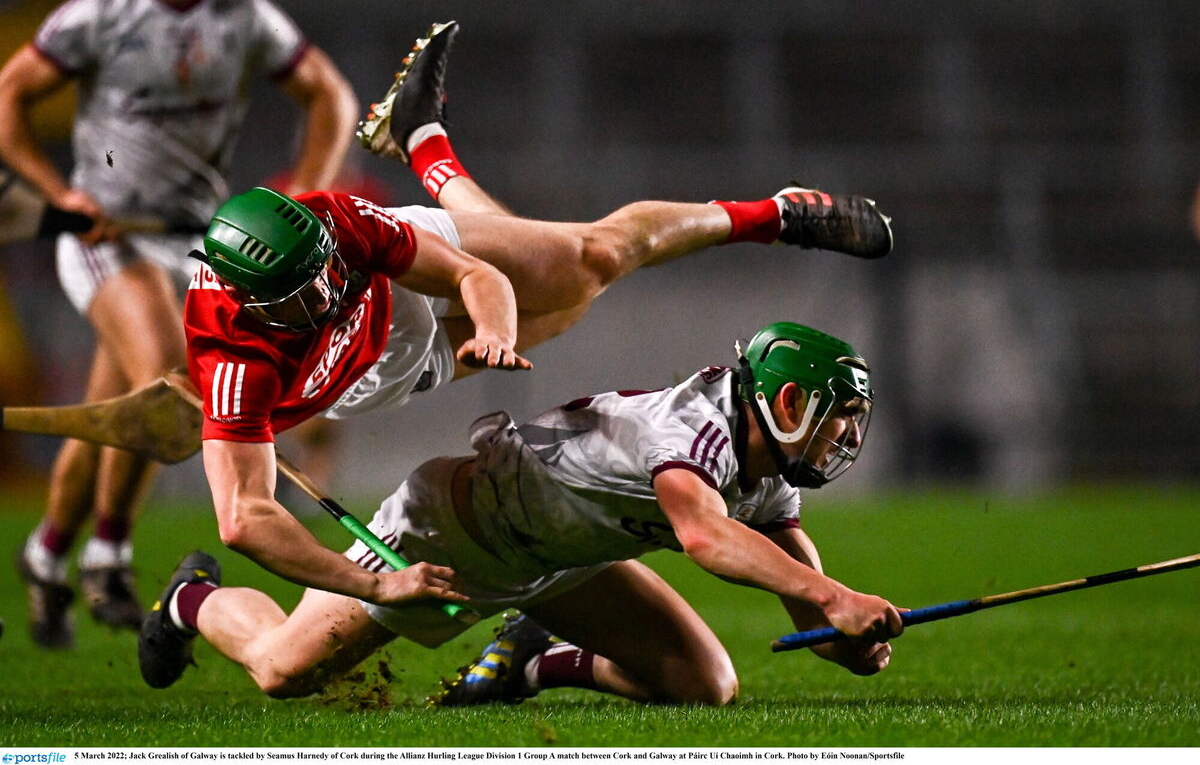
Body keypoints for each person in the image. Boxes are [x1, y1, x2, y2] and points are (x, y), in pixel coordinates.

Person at [174, 15, 894, 616]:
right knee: (571, 305)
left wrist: (493, 329)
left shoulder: (334, 228)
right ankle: (425, 140)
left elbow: (468, 272)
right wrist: (372, 582)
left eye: (327, 273)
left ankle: (774, 215)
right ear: (254, 305)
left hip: (397, 280)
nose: (330, 294)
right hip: (368, 371)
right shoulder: (237, 367)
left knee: (588, 261)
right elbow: (246, 518)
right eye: (306, 297)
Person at [137, 322, 903, 705]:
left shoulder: (770, 462)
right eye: (843, 415)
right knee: (282, 671)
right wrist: (836, 601)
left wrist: (841, 634)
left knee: (706, 685)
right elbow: (702, 534)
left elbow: (807, 596)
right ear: (791, 401)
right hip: (454, 541)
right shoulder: (693, 427)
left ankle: (531, 659)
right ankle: (188, 599)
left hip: (560, 560)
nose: (849, 437)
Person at [0, 0, 358, 647]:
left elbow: (328, 94)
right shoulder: (103, 9)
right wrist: (59, 197)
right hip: (107, 238)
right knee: (166, 370)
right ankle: (106, 558)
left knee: (118, 409)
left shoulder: (242, 11)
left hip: (195, 240)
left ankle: (52, 554)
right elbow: (10, 96)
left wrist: (307, 187)